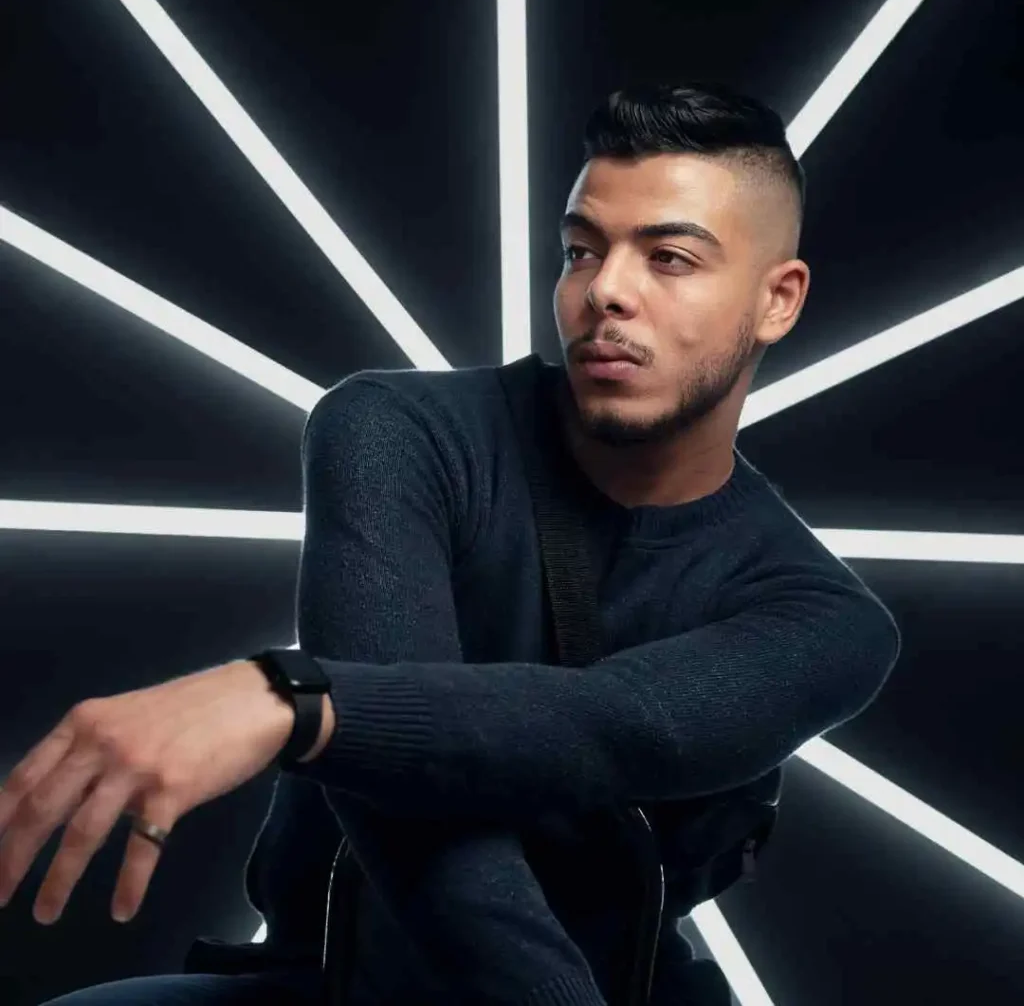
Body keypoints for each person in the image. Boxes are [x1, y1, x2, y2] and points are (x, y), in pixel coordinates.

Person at [11, 80, 901, 1005]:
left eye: (669, 258)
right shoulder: (398, 431)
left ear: (778, 300)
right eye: (580, 250)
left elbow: (614, 729)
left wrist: (293, 702)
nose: (605, 291)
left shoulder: (827, 621)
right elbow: (415, 821)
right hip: (348, 984)